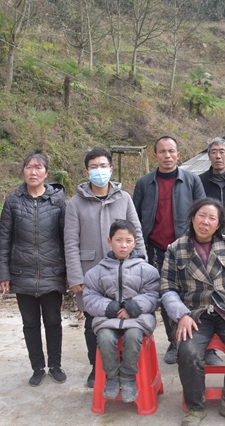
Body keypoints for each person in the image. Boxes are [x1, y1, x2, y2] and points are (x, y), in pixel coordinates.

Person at [161, 198, 225, 426]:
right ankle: (196, 406)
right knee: (188, 351)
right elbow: (167, 288)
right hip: (194, 314)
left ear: (219, 223)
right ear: (192, 218)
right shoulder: (176, 249)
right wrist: (181, 315)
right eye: (201, 215)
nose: (205, 222)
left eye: (212, 218)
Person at [65, 147, 146, 388]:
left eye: (103, 166)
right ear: (86, 171)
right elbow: (70, 242)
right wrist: (75, 276)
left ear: (111, 169)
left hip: (125, 270)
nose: (98, 171)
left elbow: (137, 234)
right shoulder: (75, 203)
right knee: (93, 322)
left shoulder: (124, 198)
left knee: (124, 316)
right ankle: (96, 366)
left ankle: (124, 365)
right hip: (90, 271)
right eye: (93, 167)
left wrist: (142, 265)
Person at [133, 135, 206, 365]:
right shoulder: (144, 183)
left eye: (171, 151)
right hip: (156, 249)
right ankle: (174, 343)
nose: (167, 155)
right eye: (162, 151)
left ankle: (199, 340)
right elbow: (134, 217)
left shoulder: (192, 180)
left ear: (178, 154)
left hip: (187, 248)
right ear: (155, 155)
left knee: (194, 294)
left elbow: (203, 213)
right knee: (166, 296)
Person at [0, 151, 67, 387]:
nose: (33, 171)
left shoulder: (57, 201)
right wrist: (3, 273)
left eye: (38, 167)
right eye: (29, 167)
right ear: (23, 171)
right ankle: (37, 367)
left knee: (53, 321)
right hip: (22, 273)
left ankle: (55, 365)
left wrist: (68, 273)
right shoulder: (13, 201)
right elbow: (4, 239)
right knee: (30, 324)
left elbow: (67, 238)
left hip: (52, 272)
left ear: (46, 173)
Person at [83, 219, 160, 403]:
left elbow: (153, 295)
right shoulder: (97, 271)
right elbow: (89, 298)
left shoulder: (147, 270)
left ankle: (127, 376)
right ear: (109, 241)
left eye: (128, 240)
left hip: (137, 320)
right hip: (108, 319)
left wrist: (134, 306)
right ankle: (111, 376)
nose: (123, 245)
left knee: (133, 336)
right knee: (104, 337)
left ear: (135, 242)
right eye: (118, 240)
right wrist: (109, 307)